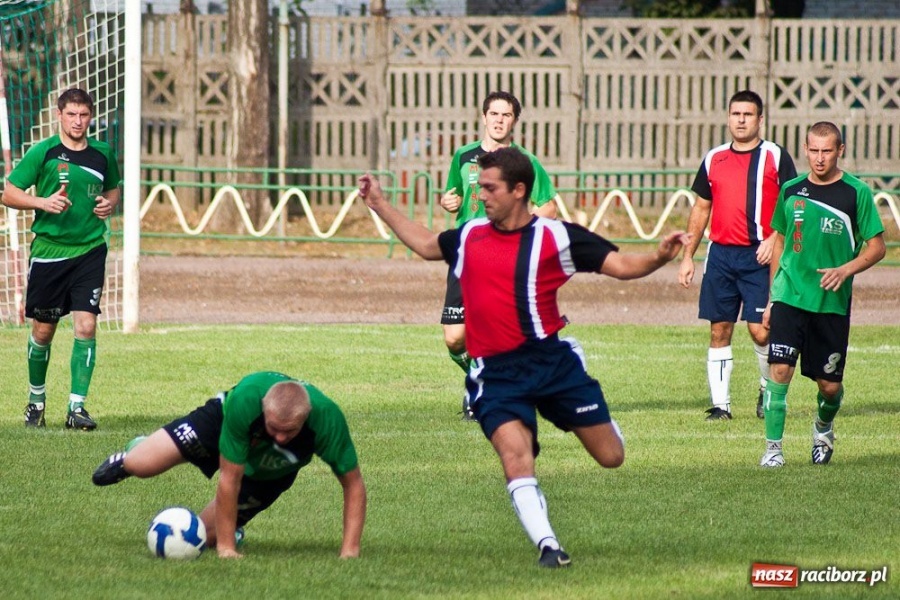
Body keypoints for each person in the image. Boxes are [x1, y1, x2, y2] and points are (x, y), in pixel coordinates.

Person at [358, 148, 689, 568]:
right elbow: (426, 245)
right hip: (496, 373)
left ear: (518, 190)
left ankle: (582, 377)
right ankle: (549, 546)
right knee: (515, 455)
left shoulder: (556, 237)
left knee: (611, 457)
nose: (480, 195)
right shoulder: (470, 234)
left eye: (489, 188)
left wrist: (658, 257)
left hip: (552, 364)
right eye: (479, 187)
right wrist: (379, 203)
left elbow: (621, 265)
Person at [92, 371, 367, 559]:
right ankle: (137, 449)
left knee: (201, 537)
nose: (281, 437)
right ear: (264, 409)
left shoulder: (328, 421)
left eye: (290, 431)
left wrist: (349, 551)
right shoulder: (247, 400)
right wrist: (227, 549)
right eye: (274, 428)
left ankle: (231, 529)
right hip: (222, 423)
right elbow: (229, 478)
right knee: (141, 465)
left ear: (306, 417)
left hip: (271, 472)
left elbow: (353, 485)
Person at [759, 121, 885, 468]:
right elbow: (780, 241)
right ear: (805, 149)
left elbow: (877, 248)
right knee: (779, 370)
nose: (819, 158)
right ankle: (773, 449)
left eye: (826, 151)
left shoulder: (856, 193)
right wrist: (772, 297)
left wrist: (845, 270)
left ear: (839, 150)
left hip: (831, 302)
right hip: (789, 295)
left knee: (829, 386)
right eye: (813, 150)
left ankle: (823, 427)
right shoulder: (791, 190)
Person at [1, 88, 121, 430]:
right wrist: (42, 203)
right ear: (59, 115)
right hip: (50, 253)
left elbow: (113, 188)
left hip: (90, 250)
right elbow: (8, 193)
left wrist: (109, 203)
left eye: (83, 115)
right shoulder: (44, 151)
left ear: (91, 117)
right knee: (43, 331)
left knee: (86, 325)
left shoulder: (103, 153)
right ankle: (36, 401)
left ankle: (76, 408)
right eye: (71, 115)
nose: (78, 121)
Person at [678, 90, 797, 421]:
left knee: (761, 329)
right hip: (720, 256)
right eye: (735, 114)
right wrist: (688, 256)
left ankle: (766, 391)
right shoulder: (714, 158)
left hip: (760, 256)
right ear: (728, 117)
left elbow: (793, 205)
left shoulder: (775, 155)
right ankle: (721, 407)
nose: (741, 120)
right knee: (719, 329)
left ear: (760, 119)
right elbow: (701, 208)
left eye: (748, 114)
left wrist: (774, 238)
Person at [439, 91, 557, 385]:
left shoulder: (525, 162)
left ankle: (492, 387)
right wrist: (448, 201)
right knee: (454, 338)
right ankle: (483, 378)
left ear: (514, 121)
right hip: (466, 255)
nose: (499, 120)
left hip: (504, 257)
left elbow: (549, 207)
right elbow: (453, 194)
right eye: (494, 113)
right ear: (483, 117)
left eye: (506, 115)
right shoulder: (463, 156)